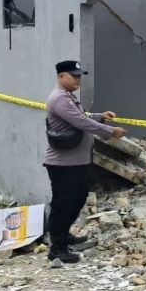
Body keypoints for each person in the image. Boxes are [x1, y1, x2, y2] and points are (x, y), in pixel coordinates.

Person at [44, 60, 126, 263]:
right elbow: (80, 122)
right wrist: (110, 131)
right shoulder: (60, 99)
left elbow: (81, 116)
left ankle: (64, 236)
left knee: (78, 198)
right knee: (63, 203)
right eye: (74, 76)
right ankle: (57, 247)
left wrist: (100, 116)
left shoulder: (68, 97)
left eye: (80, 76)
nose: (78, 79)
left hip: (75, 162)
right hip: (63, 164)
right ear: (61, 76)